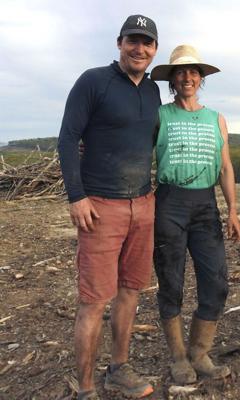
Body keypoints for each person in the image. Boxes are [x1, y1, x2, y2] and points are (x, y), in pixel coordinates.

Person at [58, 15, 160, 400]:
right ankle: (85, 388)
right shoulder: (93, 81)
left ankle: (119, 368)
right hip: (100, 207)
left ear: (154, 50)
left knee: (131, 290)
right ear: (119, 43)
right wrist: (76, 195)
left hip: (143, 203)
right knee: (93, 299)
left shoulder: (152, 92)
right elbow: (68, 139)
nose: (139, 48)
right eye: (132, 41)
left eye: (147, 43)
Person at [149, 45, 240, 385]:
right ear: (172, 80)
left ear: (201, 78)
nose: (187, 77)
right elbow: (139, 154)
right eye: (180, 72)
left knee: (216, 282)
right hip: (169, 203)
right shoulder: (160, 115)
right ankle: (178, 357)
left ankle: (199, 353)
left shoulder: (216, 118)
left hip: (206, 205)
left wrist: (232, 210)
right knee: (171, 281)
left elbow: (226, 166)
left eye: (193, 72)